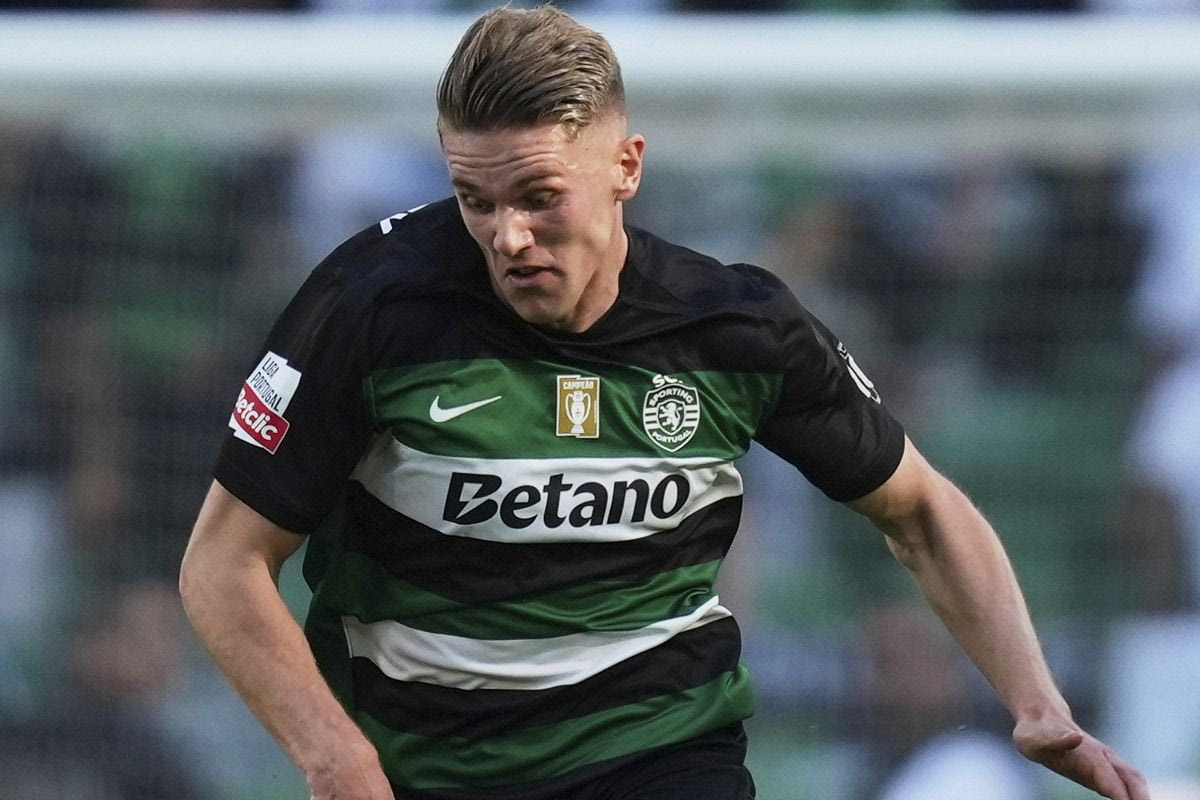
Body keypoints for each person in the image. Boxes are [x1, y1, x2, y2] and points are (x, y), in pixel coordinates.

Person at [178, 6, 1149, 800]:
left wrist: (1036, 703)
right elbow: (222, 565)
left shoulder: (732, 327)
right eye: (476, 199)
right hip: (430, 766)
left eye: (539, 195)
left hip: (662, 750)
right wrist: (334, 756)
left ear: (627, 167)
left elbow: (921, 513)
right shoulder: (369, 308)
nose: (508, 235)